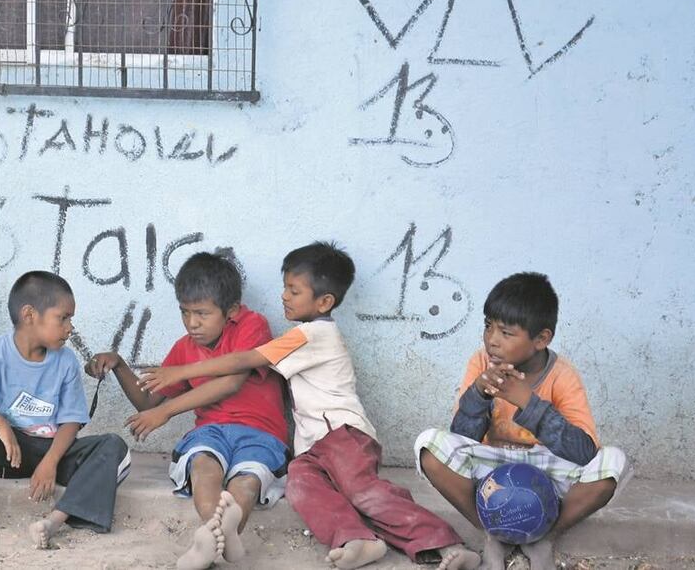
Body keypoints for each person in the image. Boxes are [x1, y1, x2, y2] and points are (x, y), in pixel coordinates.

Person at [141, 242, 480, 570]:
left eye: (293, 290)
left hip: (343, 435)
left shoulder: (313, 335)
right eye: (285, 287)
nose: (284, 297)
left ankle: (445, 543)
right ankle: (355, 539)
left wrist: (182, 371)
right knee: (301, 486)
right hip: (312, 447)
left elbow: (242, 361)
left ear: (324, 301)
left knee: (364, 492)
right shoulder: (302, 334)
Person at [86, 252, 290, 570]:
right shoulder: (184, 347)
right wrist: (119, 365)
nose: (192, 323)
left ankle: (218, 535)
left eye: (201, 313)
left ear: (231, 311)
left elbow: (232, 381)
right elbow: (147, 404)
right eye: (184, 312)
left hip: (261, 431)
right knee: (204, 467)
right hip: (211, 431)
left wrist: (168, 409)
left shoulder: (252, 325)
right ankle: (215, 534)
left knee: (247, 482)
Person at [415, 272, 629, 570]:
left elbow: (584, 452)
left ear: (541, 339)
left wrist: (528, 402)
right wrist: (479, 394)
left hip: (547, 467)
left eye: (506, 333)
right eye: (488, 326)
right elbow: (462, 438)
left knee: (613, 462)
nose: (492, 340)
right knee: (429, 445)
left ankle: (543, 537)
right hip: (494, 464)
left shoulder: (562, 374)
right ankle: (492, 533)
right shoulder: (480, 363)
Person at [0, 271, 131, 549]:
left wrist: (50, 462)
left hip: (50, 452)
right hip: (5, 451)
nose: (70, 328)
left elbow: (71, 422)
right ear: (30, 315)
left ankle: (54, 521)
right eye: (63, 318)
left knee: (114, 448)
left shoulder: (65, 361)